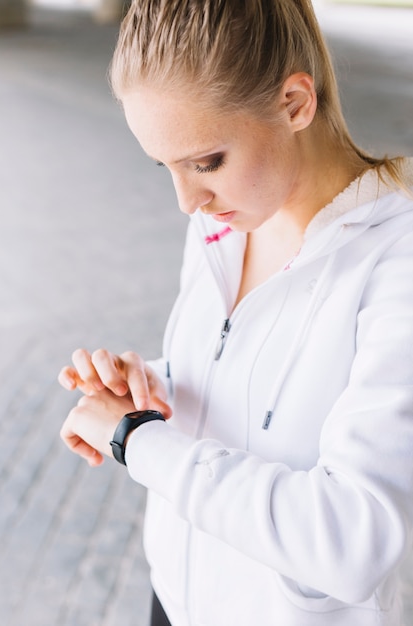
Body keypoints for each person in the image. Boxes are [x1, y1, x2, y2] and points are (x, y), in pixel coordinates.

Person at [58, 1, 413, 624]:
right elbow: (244, 380)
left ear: (295, 103)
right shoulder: (223, 223)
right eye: (164, 166)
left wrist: (136, 440)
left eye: (206, 162)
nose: (186, 200)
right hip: (172, 601)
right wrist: (151, 384)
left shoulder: (396, 262)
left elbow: (355, 542)